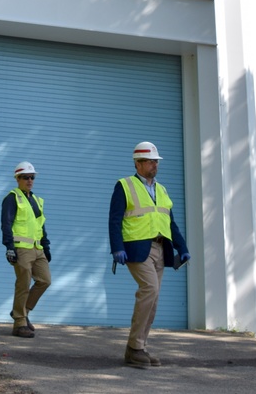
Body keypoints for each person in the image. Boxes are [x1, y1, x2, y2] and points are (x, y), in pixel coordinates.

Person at [108, 141, 190, 369]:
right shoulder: (124, 185)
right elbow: (115, 220)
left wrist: (181, 248)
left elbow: (170, 222)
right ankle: (135, 347)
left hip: (161, 249)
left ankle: (137, 348)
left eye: (156, 161)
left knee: (153, 300)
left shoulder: (161, 190)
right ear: (138, 163)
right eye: (151, 161)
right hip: (136, 249)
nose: (155, 164)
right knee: (149, 290)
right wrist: (117, 248)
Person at [1, 161, 51, 338]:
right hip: (21, 248)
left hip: (37, 248)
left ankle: (22, 311)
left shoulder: (36, 200)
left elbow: (41, 225)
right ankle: (19, 323)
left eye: (32, 177)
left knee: (45, 280)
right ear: (17, 179)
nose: (29, 180)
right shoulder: (12, 198)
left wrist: (46, 246)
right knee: (23, 284)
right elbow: (6, 224)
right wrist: (9, 247)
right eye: (25, 177)